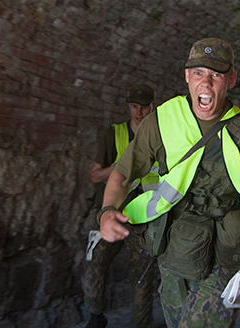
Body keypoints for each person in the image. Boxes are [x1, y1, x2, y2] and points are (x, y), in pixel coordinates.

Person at [97, 38, 240, 328]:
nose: (206, 83)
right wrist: (108, 209)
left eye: (216, 75)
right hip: (175, 253)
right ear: (186, 76)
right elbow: (122, 174)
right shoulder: (162, 122)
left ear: (231, 79)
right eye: (198, 73)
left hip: (225, 257)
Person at [82, 84, 158, 328]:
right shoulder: (114, 135)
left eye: (144, 107)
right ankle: (96, 316)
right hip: (112, 216)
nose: (139, 112)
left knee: (142, 281)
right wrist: (123, 165)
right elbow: (95, 176)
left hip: (145, 220)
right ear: (128, 106)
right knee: (94, 266)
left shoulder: (161, 137)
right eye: (134, 106)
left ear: (152, 107)